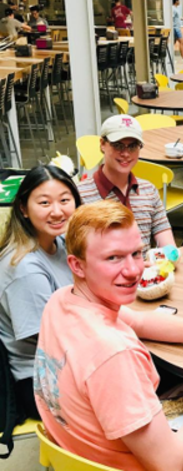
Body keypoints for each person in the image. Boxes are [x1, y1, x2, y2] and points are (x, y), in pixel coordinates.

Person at [34, 201, 183, 471]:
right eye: (113, 258)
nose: (133, 270)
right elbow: (169, 464)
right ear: (77, 265)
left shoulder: (61, 300)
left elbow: (139, 321)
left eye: (137, 253)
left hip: (78, 453)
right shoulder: (114, 353)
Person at [0, 165, 81, 420]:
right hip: (40, 381)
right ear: (23, 208)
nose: (57, 211)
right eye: (44, 203)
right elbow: (49, 340)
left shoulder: (58, 242)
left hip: (70, 358)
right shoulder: (23, 267)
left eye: (65, 200)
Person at [77, 115, 175, 255]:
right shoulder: (81, 194)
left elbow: (168, 245)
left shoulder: (148, 190)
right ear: (102, 144)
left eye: (133, 146)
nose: (125, 153)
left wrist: (166, 259)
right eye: (118, 145)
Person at [173, 0, 183, 64]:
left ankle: (171, 59)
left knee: (172, 44)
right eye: (179, 0)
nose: (179, 2)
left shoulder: (176, 8)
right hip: (175, 29)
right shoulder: (173, 8)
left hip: (176, 28)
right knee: (182, 42)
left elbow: (177, 18)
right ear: (176, 1)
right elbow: (171, 18)